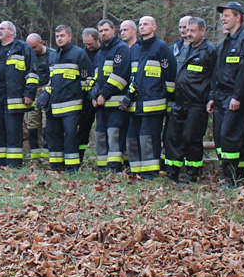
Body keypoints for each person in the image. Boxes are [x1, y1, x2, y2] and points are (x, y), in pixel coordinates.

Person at [208, 2, 244, 188]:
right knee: (222, 137)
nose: (223, 18)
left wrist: (237, 97)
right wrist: (212, 96)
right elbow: (216, 72)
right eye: (223, 15)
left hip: (236, 97)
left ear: (238, 17)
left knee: (230, 136)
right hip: (220, 96)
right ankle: (234, 173)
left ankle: (232, 179)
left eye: (227, 15)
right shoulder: (224, 43)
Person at [122, 16, 175, 179]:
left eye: (146, 24)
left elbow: (170, 75)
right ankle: (136, 170)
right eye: (140, 24)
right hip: (135, 104)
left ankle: (150, 172)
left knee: (148, 139)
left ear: (154, 27)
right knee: (132, 138)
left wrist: (169, 99)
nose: (142, 26)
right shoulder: (134, 49)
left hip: (154, 104)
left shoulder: (162, 48)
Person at [0, 21, 38, 168]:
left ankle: (14, 165)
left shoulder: (23, 48)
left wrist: (29, 93)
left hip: (15, 98)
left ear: (11, 32)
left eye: (2, 29)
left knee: (13, 132)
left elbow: (32, 73)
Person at [164, 17, 215, 184]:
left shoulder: (209, 51)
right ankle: (172, 171)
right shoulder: (184, 49)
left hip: (197, 103)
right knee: (173, 137)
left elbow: (215, 77)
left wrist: (211, 98)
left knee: (191, 138)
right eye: (187, 30)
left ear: (202, 31)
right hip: (179, 101)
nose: (189, 33)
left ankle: (192, 173)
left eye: (193, 31)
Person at [41, 25, 92, 172]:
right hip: (54, 104)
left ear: (70, 36)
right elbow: (52, 80)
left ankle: (72, 168)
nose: (59, 39)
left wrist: (84, 101)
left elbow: (87, 79)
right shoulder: (53, 56)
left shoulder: (79, 54)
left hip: (72, 105)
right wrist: (46, 93)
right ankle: (56, 166)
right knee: (53, 135)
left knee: (70, 136)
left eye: (62, 35)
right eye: (57, 36)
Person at [91, 19, 132, 173]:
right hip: (100, 105)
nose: (103, 33)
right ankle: (102, 167)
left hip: (116, 104)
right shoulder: (100, 53)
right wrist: (93, 95)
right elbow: (94, 76)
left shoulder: (122, 49)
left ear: (113, 30)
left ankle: (114, 168)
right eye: (100, 31)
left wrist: (104, 95)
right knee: (100, 136)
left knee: (114, 135)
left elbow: (121, 77)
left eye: (106, 30)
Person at [25, 33, 51, 165]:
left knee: (47, 124)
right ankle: (34, 158)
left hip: (47, 91)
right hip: (33, 91)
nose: (32, 50)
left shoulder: (52, 55)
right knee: (33, 124)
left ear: (41, 43)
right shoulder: (28, 56)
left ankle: (46, 158)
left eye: (34, 47)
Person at [77, 27, 101, 161]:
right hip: (86, 97)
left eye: (90, 44)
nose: (88, 46)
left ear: (97, 40)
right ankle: (80, 155)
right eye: (85, 44)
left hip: (103, 95)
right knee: (83, 127)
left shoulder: (105, 51)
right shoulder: (82, 53)